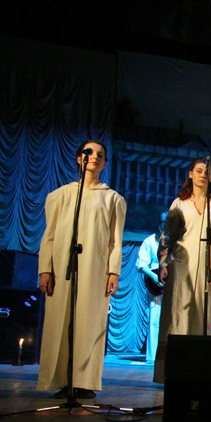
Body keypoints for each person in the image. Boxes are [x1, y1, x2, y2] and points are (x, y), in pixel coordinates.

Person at [37, 139, 127, 399]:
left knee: (89, 321)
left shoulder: (112, 199)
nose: (94, 157)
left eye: (100, 154)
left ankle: (84, 380)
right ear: (79, 158)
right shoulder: (60, 195)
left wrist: (113, 272)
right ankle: (62, 379)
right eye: (89, 152)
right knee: (60, 321)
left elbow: (115, 240)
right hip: (62, 267)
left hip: (95, 268)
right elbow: (49, 236)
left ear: (105, 163)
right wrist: (45, 269)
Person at [155, 158, 211, 381]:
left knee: (202, 313)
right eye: (198, 171)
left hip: (207, 267)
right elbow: (168, 235)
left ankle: (198, 372)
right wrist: (163, 263)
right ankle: (172, 373)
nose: (202, 175)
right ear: (190, 174)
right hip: (181, 265)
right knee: (177, 314)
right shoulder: (179, 204)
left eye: (207, 172)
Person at [136, 211, 167, 363]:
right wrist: (154, 277)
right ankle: (153, 357)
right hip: (155, 286)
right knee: (154, 319)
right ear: (158, 224)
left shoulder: (174, 242)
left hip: (170, 284)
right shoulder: (149, 241)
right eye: (163, 223)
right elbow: (141, 264)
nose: (165, 226)